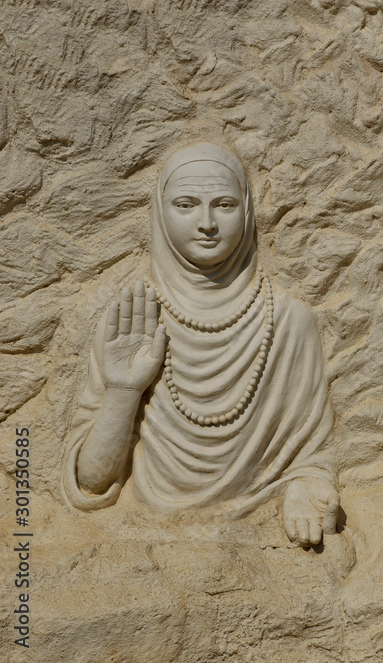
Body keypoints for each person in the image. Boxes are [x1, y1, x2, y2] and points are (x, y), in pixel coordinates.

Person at [64, 142, 339, 547]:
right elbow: (91, 482)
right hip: (148, 543)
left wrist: (307, 485)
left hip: (253, 538)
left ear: (246, 210)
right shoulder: (134, 318)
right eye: (186, 204)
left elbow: (315, 452)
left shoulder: (287, 320)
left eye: (224, 204)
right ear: (160, 211)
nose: (206, 222)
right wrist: (124, 391)